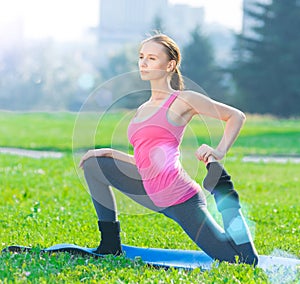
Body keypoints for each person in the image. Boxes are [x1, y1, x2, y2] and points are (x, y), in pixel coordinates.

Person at [79, 33, 259, 265]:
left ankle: (223, 189)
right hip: (149, 190)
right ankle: (110, 245)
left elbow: (236, 116)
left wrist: (219, 151)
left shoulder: (183, 100)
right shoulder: (143, 108)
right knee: (94, 166)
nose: (143, 63)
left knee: (243, 260)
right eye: (141, 56)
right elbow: (146, 160)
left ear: (170, 65)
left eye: (152, 58)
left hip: (179, 198)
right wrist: (110, 153)